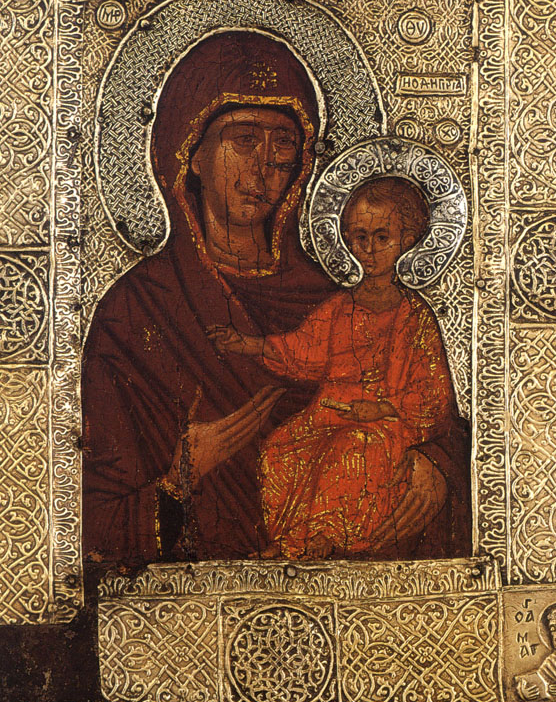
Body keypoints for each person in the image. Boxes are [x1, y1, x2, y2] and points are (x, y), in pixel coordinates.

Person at [81, 30, 471, 564]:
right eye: (243, 138)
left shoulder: (336, 298)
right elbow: (90, 522)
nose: (263, 166)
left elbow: (437, 415)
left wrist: (438, 467)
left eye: (282, 144)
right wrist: (178, 478)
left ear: (302, 164)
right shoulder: (136, 310)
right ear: (190, 152)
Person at [210, 177, 462, 559]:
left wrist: (380, 409)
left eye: (382, 237)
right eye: (360, 237)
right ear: (347, 239)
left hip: (386, 425)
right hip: (328, 415)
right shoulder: (339, 307)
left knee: (352, 448)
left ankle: (322, 538)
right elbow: (302, 349)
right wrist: (247, 344)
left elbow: (431, 393)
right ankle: (288, 540)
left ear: (407, 240)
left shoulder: (414, 316)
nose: (369, 249)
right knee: (280, 450)